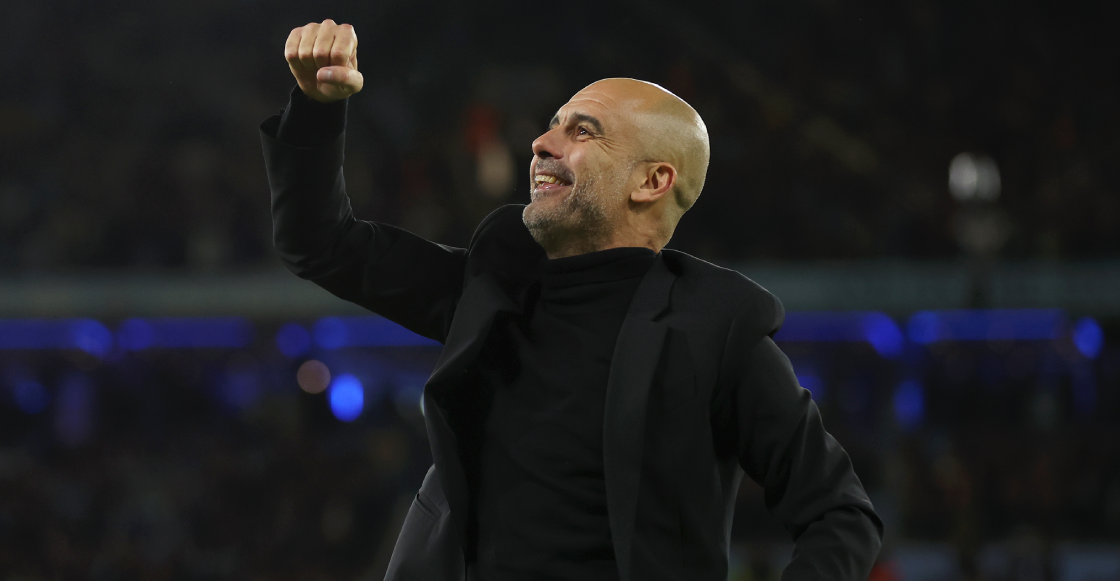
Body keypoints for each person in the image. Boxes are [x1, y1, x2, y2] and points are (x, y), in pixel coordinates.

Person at [260, 18, 883, 581]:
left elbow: (839, 513)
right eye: (552, 124)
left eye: (582, 130)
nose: (540, 142)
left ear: (652, 180)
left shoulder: (717, 327)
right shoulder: (491, 285)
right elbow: (320, 245)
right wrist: (316, 108)